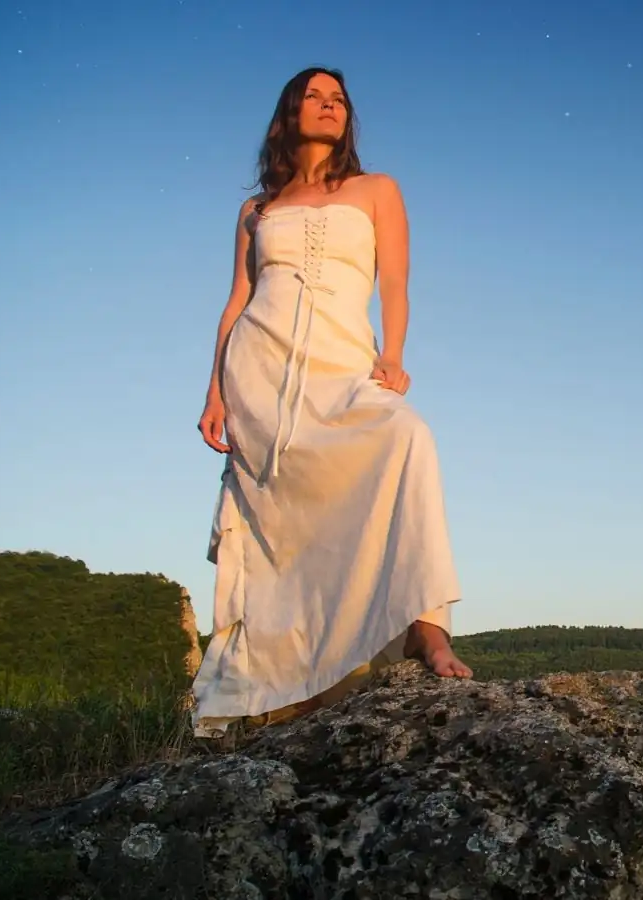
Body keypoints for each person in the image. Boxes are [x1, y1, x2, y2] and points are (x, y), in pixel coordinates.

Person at [191, 66, 471, 736]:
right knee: (280, 529)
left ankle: (427, 627)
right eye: (314, 97)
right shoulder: (255, 211)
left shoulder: (377, 190)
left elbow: (396, 282)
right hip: (260, 370)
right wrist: (214, 392)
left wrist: (394, 355)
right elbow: (237, 301)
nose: (329, 106)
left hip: (343, 362)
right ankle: (286, 682)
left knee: (407, 438)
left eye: (338, 99)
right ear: (290, 114)